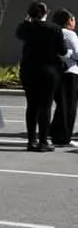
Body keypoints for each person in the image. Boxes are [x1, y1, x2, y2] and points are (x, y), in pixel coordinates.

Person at [16, 1, 67, 152]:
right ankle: (43, 141)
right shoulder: (54, 29)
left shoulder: (26, 28)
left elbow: (20, 32)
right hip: (48, 70)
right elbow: (62, 51)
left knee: (31, 105)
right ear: (47, 12)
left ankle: (31, 140)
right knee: (45, 106)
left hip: (29, 70)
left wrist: (27, 18)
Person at [49, 9, 78, 147]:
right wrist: (69, 53)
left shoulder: (52, 32)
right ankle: (64, 137)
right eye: (74, 19)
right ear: (69, 20)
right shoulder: (69, 34)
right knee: (69, 107)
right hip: (71, 71)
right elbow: (77, 53)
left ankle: (55, 133)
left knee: (62, 105)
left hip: (57, 72)